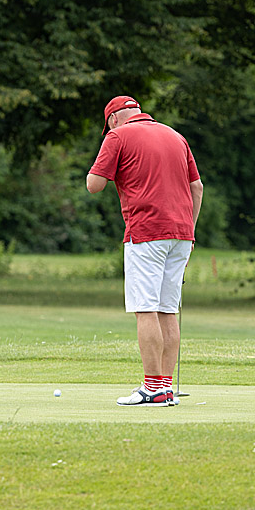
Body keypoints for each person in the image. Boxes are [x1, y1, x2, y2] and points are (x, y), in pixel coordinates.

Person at [86, 96, 203, 407]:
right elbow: (197, 188)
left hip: (146, 231)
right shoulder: (176, 136)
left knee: (146, 308)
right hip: (182, 234)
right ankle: (165, 387)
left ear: (112, 119)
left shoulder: (117, 136)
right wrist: (190, 230)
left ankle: (152, 388)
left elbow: (94, 185)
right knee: (167, 309)